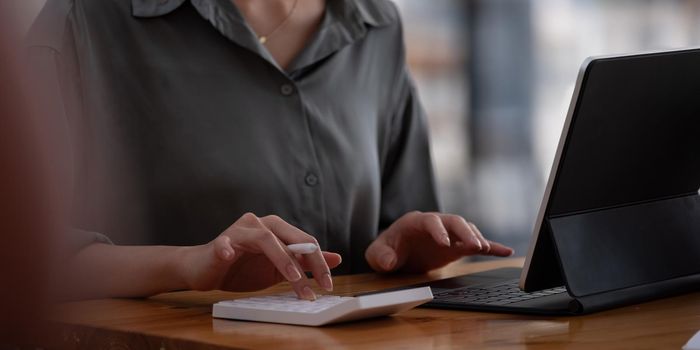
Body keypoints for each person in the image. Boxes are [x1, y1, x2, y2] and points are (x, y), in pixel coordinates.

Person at [27, 0, 514, 300]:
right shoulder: (85, 19)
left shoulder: (375, 23)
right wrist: (189, 265)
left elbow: (389, 245)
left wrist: (403, 247)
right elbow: (31, 263)